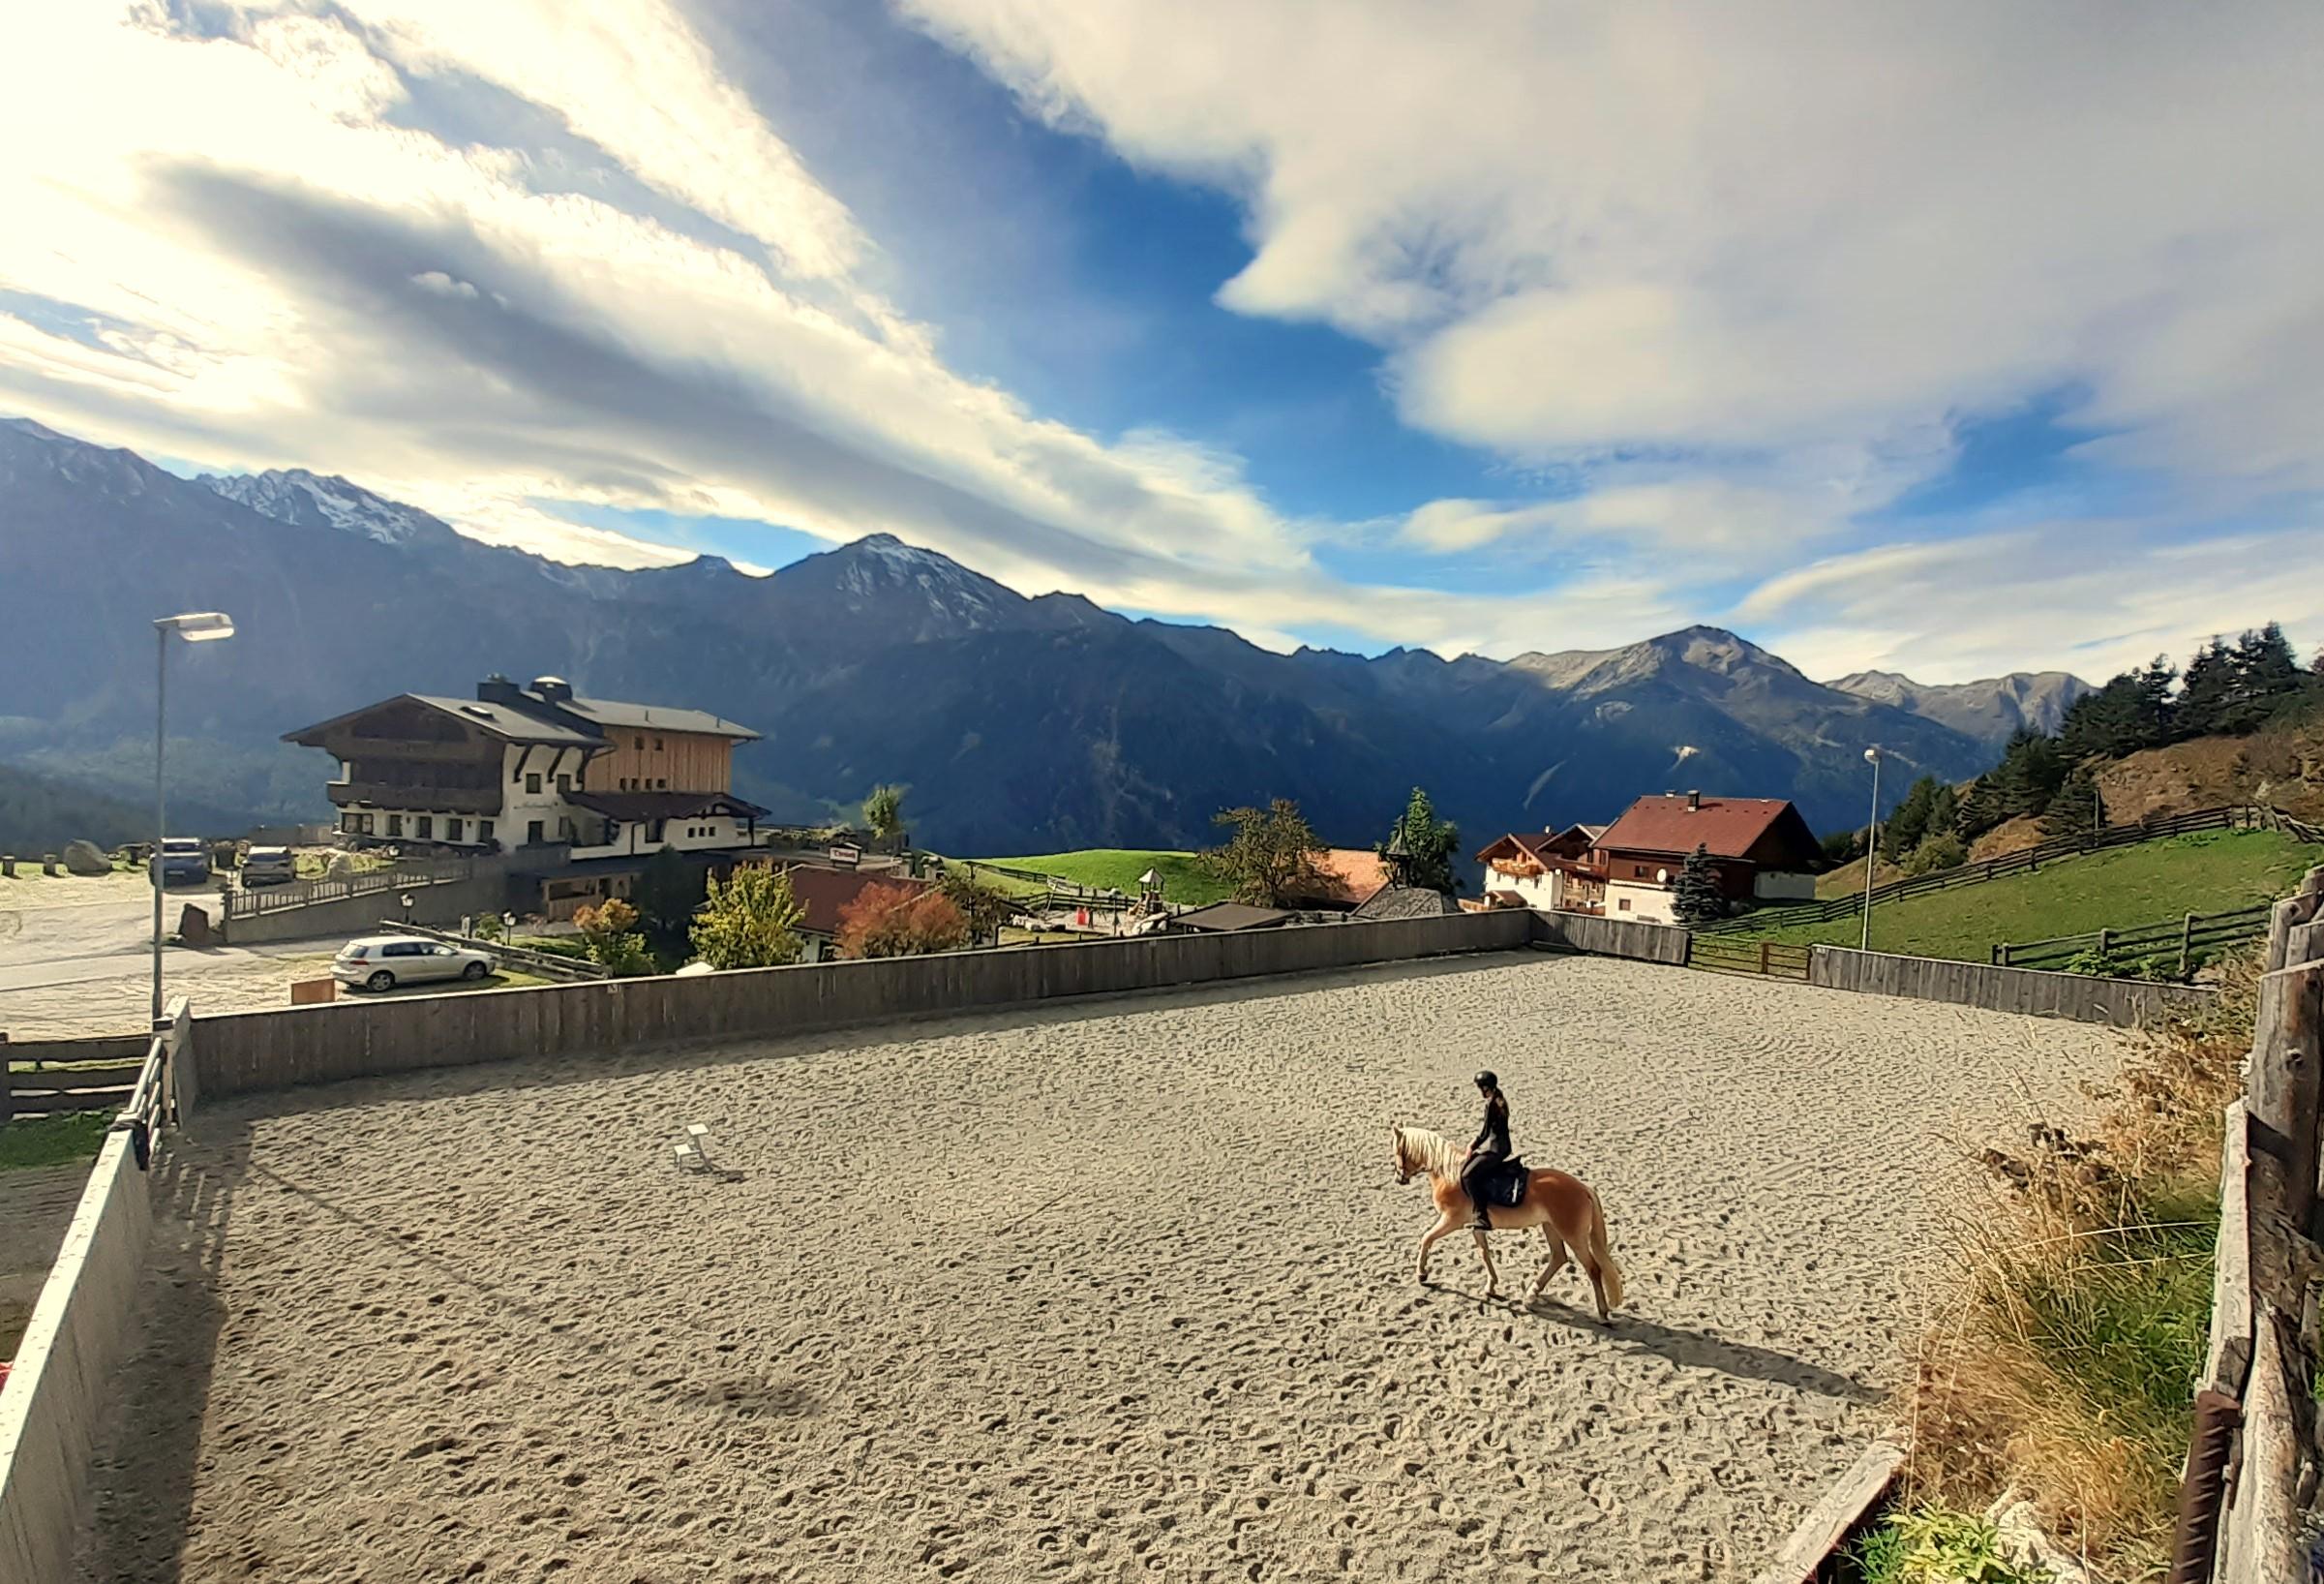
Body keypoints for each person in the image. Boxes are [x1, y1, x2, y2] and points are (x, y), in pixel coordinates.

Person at [1461, 1070, 1512, 1231]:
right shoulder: (1500, 1099)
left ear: (1485, 1088)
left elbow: (1484, 1133)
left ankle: (1481, 1216)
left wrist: (1471, 1146)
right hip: (1502, 1147)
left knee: (1467, 1175)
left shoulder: (1492, 1105)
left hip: (1496, 1150)